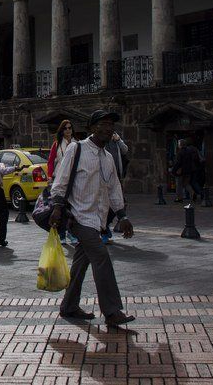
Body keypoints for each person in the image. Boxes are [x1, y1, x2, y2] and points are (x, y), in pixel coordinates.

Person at [49, 109, 135, 327]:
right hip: (77, 217)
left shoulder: (108, 158)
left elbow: (114, 188)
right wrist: (57, 208)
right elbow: (61, 181)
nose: (108, 129)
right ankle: (112, 311)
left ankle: (68, 306)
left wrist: (122, 215)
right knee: (102, 257)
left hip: (97, 220)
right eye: (103, 124)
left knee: (81, 262)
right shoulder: (76, 149)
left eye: (111, 125)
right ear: (92, 128)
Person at [172, 138, 203, 202]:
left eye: (178, 144)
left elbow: (178, 163)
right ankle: (193, 193)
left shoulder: (180, 152)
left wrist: (174, 170)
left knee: (179, 185)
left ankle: (179, 198)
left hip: (181, 171)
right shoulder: (189, 152)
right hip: (188, 171)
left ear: (180, 145)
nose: (178, 145)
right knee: (186, 184)